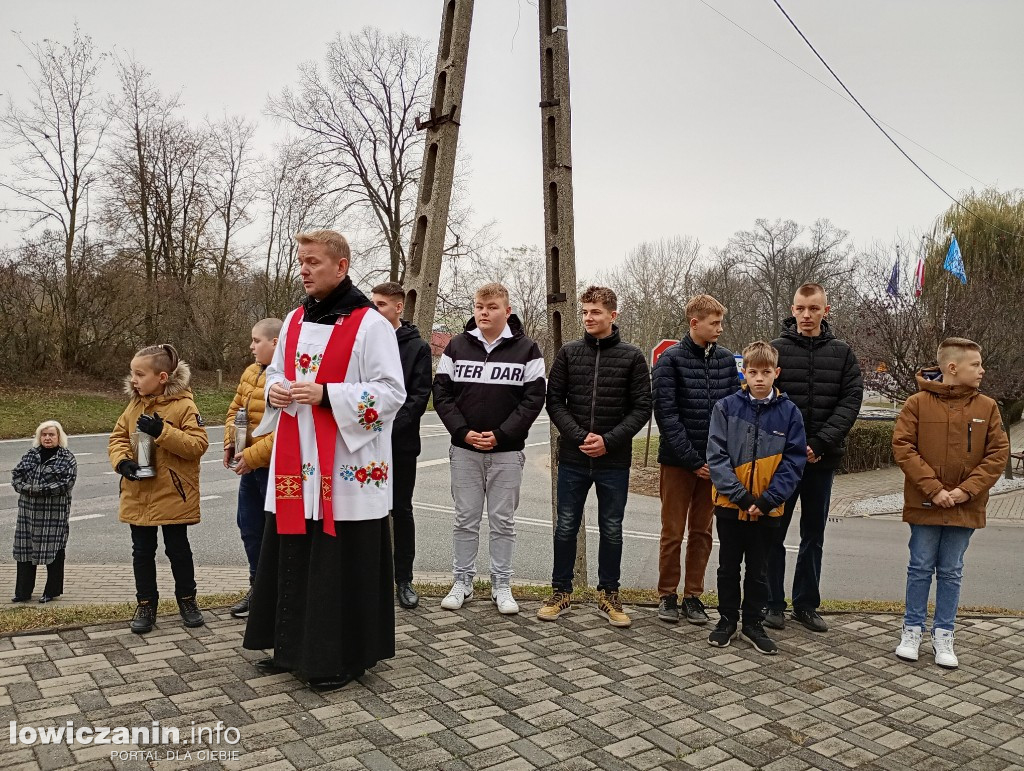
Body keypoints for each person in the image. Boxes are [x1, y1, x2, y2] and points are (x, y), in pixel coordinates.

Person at [243, 229, 405, 692]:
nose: (304, 269)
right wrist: (274, 388)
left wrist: (328, 395)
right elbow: (277, 370)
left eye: (313, 261)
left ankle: (341, 658)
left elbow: (393, 392)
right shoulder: (294, 319)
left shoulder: (370, 324)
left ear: (341, 266)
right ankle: (289, 646)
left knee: (335, 562)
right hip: (296, 461)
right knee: (292, 551)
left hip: (346, 470)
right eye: (301, 261)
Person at [891, 338, 1008, 669]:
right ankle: (911, 630)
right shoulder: (916, 403)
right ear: (953, 367)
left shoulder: (988, 407)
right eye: (976, 364)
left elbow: (997, 454)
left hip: (964, 506)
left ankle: (944, 634)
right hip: (925, 504)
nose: (982, 370)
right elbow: (903, 447)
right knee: (920, 566)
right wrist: (933, 489)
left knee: (951, 570)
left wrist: (965, 491)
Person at [539, 286, 652, 627]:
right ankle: (561, 592)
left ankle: (609, 594)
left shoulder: (632, 357)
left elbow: (642, 407)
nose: (589, 318)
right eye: (585, 312)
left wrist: (609, 441)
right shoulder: (569, 353)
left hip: (613, 461)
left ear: (613, 316)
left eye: (596, 312)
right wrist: (577, 436)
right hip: (573, 459)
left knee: (612, 528)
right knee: (566, 527)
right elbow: (554, 401)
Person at [433, 282, 546, 615]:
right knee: (465, 520)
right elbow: (442, 395)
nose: (484, 312)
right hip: (464, 451)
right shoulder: (455, 347)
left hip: (507, 453)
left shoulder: (528, 350)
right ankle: (462, 582)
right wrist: (463, 432)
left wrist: (501, 434)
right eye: (479, 306)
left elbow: (534, 399)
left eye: (492, 306)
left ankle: (501, 585)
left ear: (506, 311)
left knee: (503, 522)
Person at [764, 283, 863, 633]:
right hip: (781, 462)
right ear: (792, 310)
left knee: (813, 535)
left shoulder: (842, 353)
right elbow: (764, 400)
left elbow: (850, 401)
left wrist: (819, 443)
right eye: (801, 308)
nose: (807, 315)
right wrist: (790, 446)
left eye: (814, 309)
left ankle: (805, 604)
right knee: (773, 532)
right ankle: (772, 603)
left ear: (826, 310)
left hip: (822, 459)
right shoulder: (774, 351)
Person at [706, 342, 806, 654]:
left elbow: (794, 461)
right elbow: (717, 456)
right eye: (753, 372)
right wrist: (739, 496)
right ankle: (726, 620)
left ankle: (753, 623)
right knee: (728, 566)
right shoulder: (725, 408)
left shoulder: (790, 413)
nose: (759, 378)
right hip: (729, 506)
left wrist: (767, 499)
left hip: (768, 509)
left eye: (765, 372)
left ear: (776, 373)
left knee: (759, 569)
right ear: (744, 373)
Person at [108, 344, 209, 634]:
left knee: (178, 550)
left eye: (140, 374)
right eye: (132, 373)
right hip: (138, 493)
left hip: (173, 493)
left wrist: (162, 431)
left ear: (162, 377)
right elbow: (117, 437)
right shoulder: (134, 405)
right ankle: (146, 603)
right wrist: (123, 462)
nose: (134, 379)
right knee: (142, 551)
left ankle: (188, 600)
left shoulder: (184, 406)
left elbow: (197, 445)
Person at [653, 295, 740, 625]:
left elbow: (734, 412)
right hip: (678, 463)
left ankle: (693, 596)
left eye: (720, 322)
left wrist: (718, 460)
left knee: (703, 532)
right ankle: (666, 595)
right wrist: (692, 460)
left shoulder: (726, 362)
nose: (719, 328)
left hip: (714, 465)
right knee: (672, 531)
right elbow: (667, 415)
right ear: (695, 323)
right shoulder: (670, 361)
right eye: (714, 323)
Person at [371, 282, 432, 610]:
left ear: (398, 308)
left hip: (400, 444)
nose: (375, 309)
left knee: (400, 509)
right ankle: (370, 576)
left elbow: (419, 396)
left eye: (381, 304)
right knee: (368, 509)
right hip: (364, 444)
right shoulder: (363, 343)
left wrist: (386, 430)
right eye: (373, 303)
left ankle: (403, 579)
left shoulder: (417, 347)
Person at [224, 318, 282, 619]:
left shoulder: (287, 377)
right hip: (250, 467)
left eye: (256, 340)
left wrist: (254, 456)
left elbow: (288, 428)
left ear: (275, 342)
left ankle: (278, 593)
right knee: (250, 530)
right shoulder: (250, 373)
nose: (251, 346)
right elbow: (235, 411)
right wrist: (230, 444)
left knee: (278, 535)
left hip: (276, 470)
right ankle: (256, 589)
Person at [11, 421, 77, 603]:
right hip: (28, 513)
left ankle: (52, 591)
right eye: (44, 434)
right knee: (24, 551)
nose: (47, 438)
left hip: (53, 514)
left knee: (54, 550)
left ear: (59, 437)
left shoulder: (67, 458)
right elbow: (16, 476)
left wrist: (36, 490)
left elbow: (65, 483)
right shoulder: (30, 455)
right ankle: (22, 592)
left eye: (51, 435)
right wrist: (26, 487)